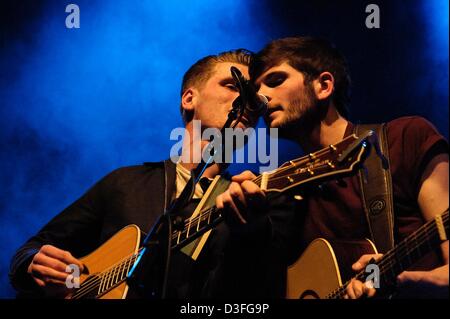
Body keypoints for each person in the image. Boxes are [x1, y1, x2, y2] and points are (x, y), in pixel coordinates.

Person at [9, 49, 259, 298]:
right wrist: (33, 264)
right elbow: (30, 249)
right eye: (232, 85)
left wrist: (251, 233)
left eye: (253, 96)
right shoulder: (125, 183)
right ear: (189, 99)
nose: (246, 100)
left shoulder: (249, 199)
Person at [215, 36, 449, 299]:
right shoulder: (288, 194)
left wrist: (405, 281)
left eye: (275, 80)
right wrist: (249, 229)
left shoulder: (403, 139)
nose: (262, 97)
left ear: (324, 86)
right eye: (257, 89)